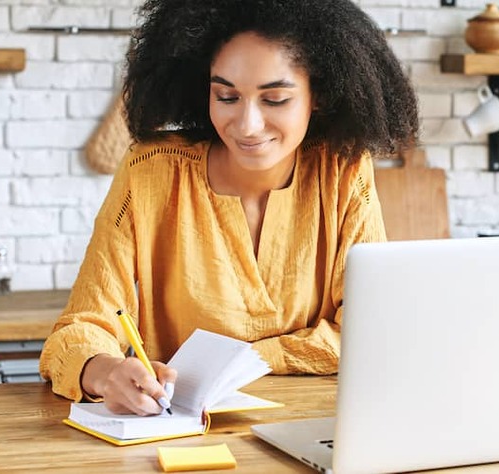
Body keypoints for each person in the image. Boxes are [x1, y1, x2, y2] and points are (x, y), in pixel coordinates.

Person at [38, 0, 419, 416]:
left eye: (275, 99)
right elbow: (80, 328)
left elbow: (371, 330)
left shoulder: (342, 170)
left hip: (318, 425)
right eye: (227, 96)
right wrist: (104, 370)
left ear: (319, 97)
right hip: (182, 436)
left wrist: (254, 359)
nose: (247, 124)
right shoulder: (150, 174)